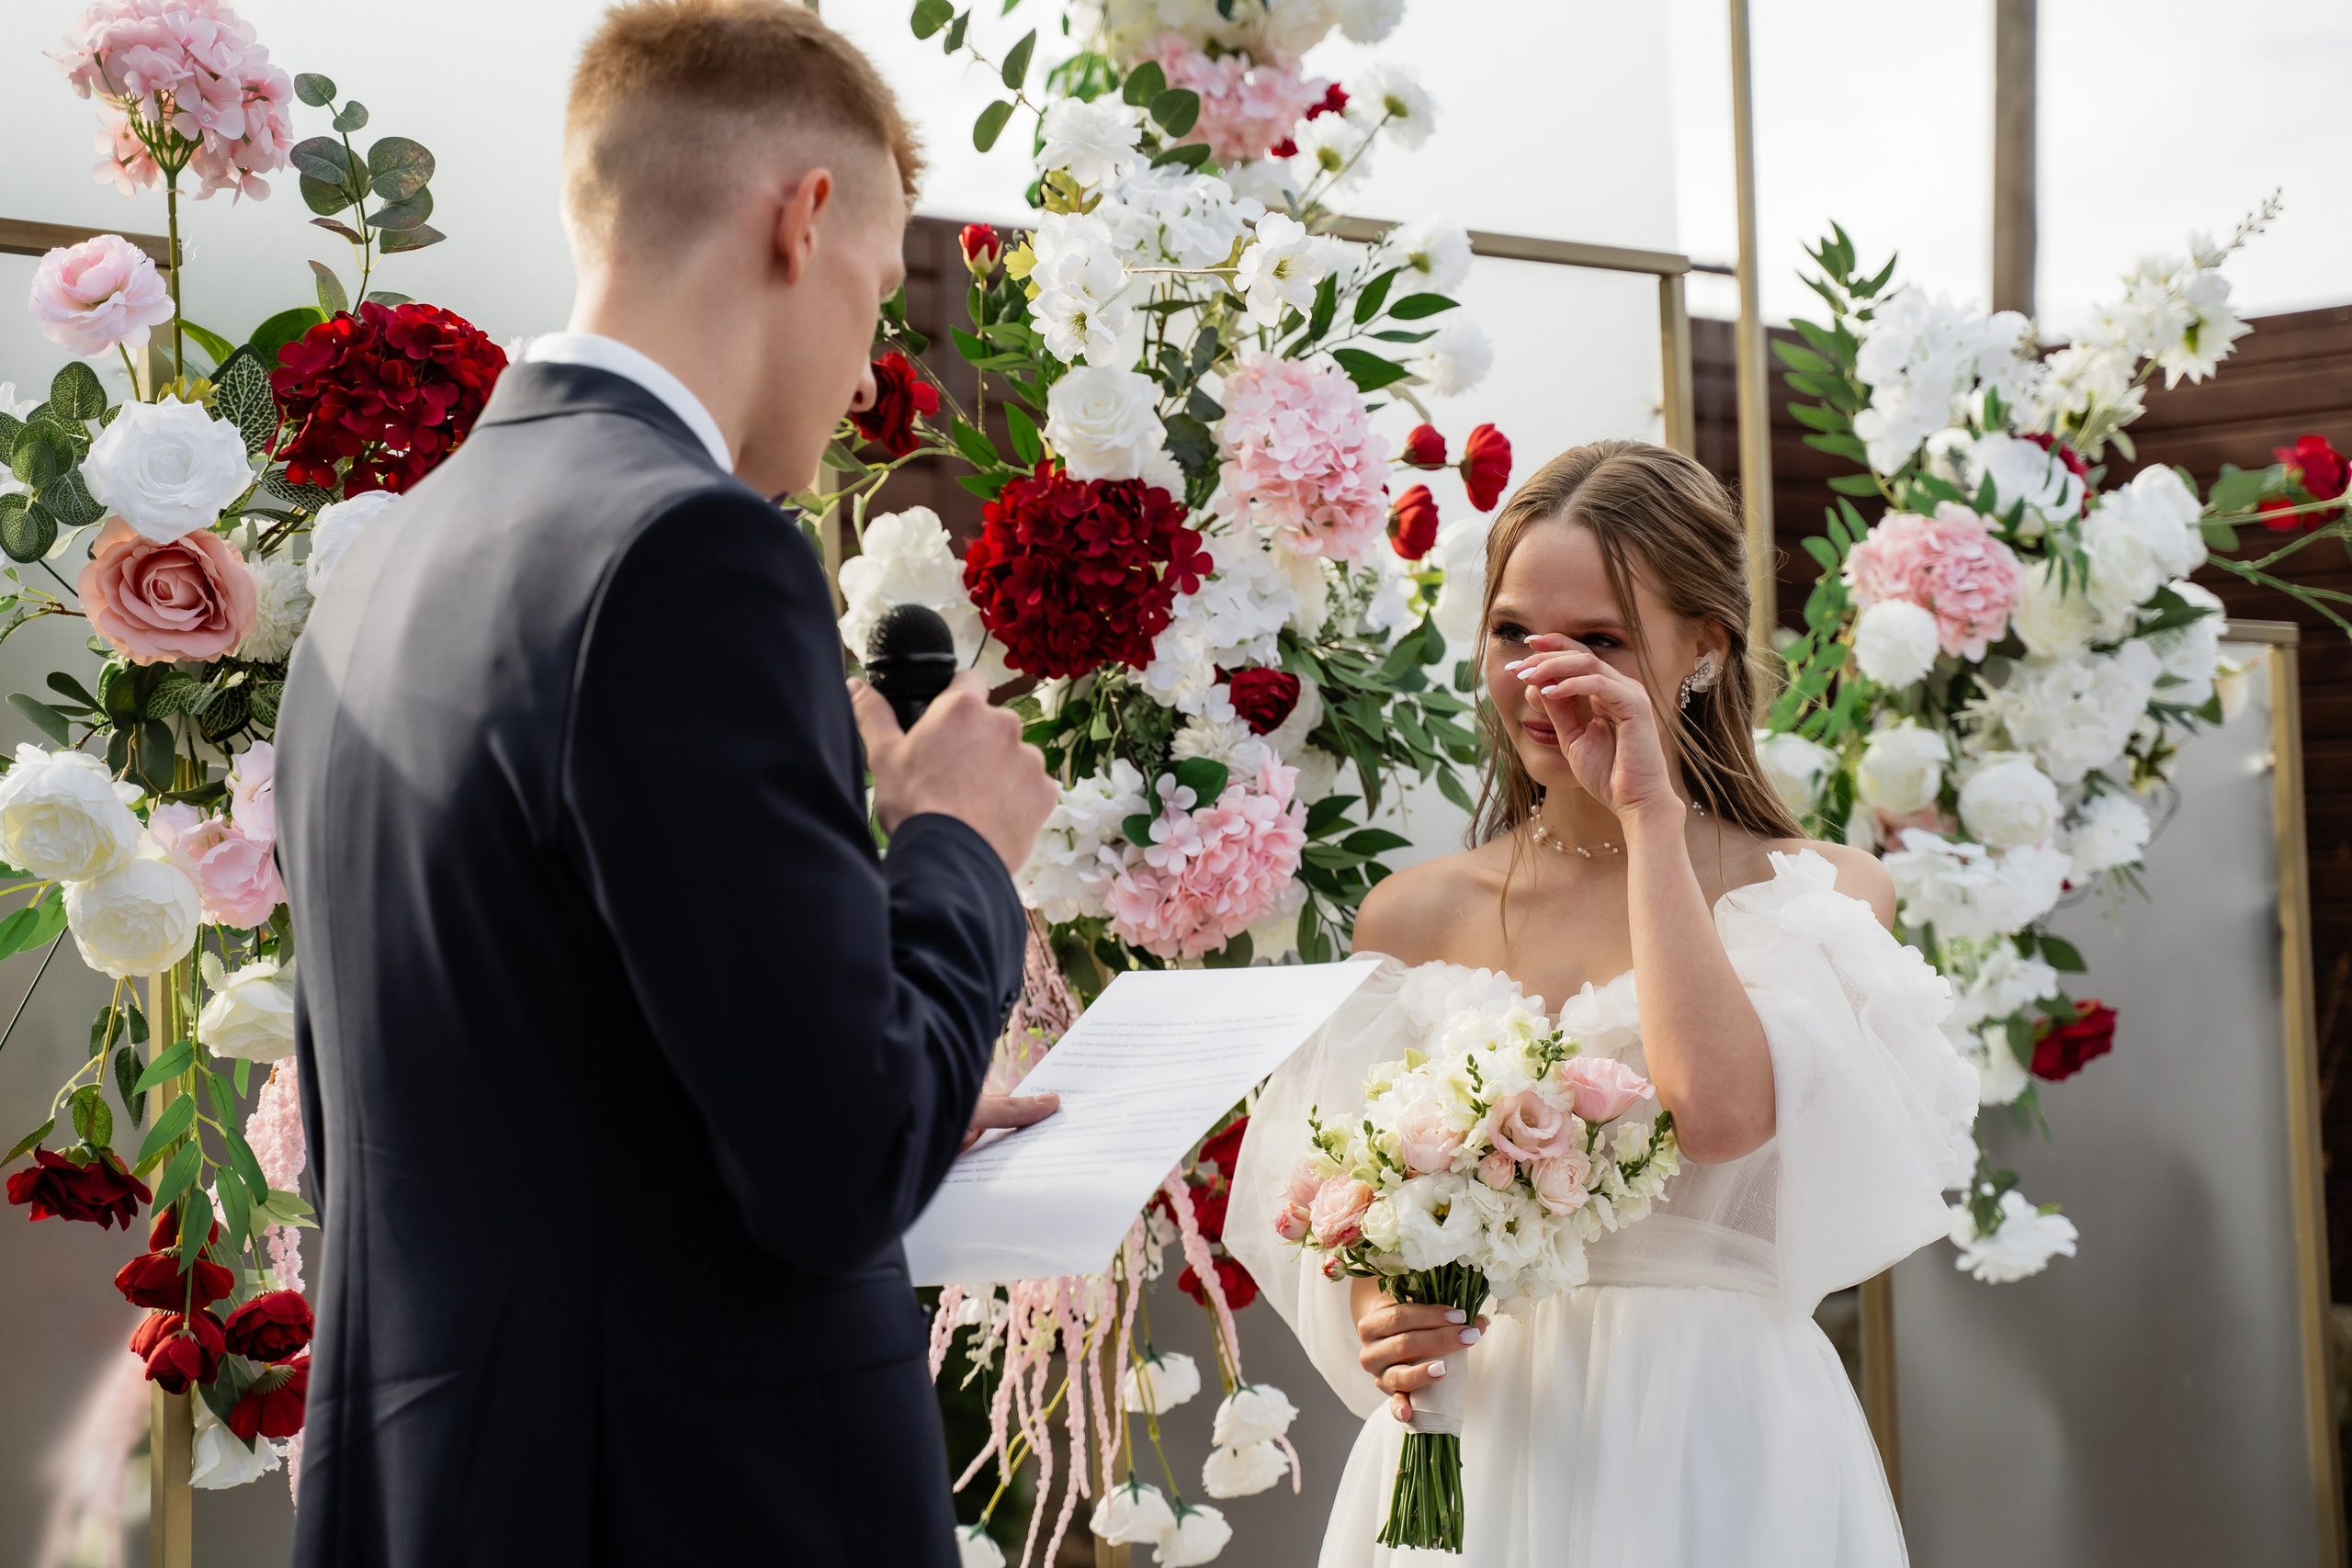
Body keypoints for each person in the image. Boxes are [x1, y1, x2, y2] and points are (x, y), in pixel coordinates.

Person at [274, 4, 1058, 1563]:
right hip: (684, 1501)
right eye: (883, 293)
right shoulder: (690, 550)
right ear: (807, 218)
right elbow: (835, 1172)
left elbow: (542, 1079)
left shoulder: (384, 569)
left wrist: (890, 1062)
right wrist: (959, 843)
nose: (866, 364)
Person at [1227, 441, 1978, 1566]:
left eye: (1599, 640)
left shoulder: (1815, 893)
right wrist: (1383, 1317)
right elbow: (1332, 1220)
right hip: (1479, 1449)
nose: (1542, 674)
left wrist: (1650, 818)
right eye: (1513, 632)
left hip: (1711, 1440)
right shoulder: (1410, 917)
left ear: (1701, 651)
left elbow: (1720, 1112)